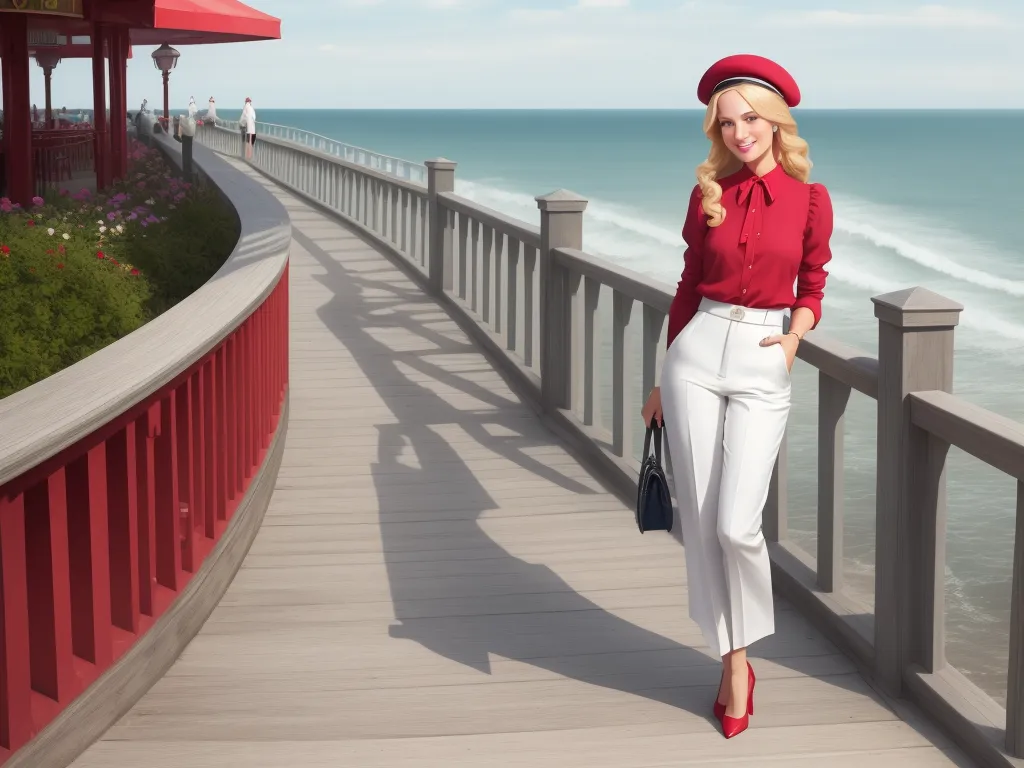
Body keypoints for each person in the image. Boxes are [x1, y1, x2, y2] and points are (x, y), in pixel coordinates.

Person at [640, 54, 833, 740]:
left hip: (761, 354)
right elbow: (689, 284)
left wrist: (792, 340)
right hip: (697, 350)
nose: (739, 132)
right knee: (701, 522)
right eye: (726, 123)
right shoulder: (706, 195)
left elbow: (813, 283)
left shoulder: (811, 200)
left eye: (750, 117)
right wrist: (664, 375)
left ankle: (744, 647)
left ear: (776, 120)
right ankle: (735, 663)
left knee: (735, 525)